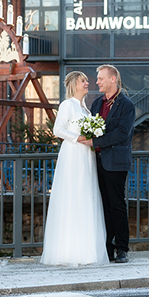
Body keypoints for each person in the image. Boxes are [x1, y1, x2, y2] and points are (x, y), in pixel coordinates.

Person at [40, 71, 109, 266]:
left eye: (87, 81)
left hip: (86, 156)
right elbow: (57, 130)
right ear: (74, 84)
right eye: (83, 81)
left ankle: (86, 251)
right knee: (73, 196)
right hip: (72, 154)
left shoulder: (86, 110)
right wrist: (77, 138)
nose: (87, 83)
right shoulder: (67, 105)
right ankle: (68, 252)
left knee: (86, 196)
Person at [78, 65, 135, 263]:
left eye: (101, 78)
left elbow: (122, 133)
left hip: (116, 163)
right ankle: (106, 250)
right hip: (97, 161)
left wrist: (95, 142)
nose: (97, 82)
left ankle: (122, 249)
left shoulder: (126, 104)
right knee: (102, 206)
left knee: (117, 206)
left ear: (113, 80)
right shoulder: (96, 104)